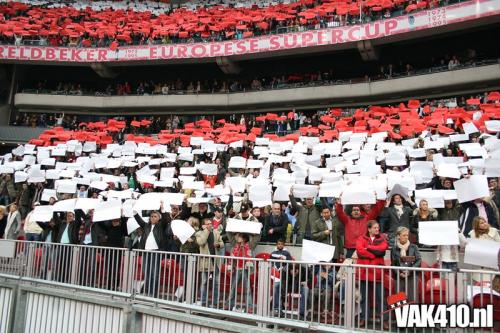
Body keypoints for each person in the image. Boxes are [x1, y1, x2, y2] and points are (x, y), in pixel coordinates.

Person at [355, 220, 389, 330]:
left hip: (377, 273)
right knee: (364, 297)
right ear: (369, 229)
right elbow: (359, 251)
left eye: (378, 228)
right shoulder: (361, 238)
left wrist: (368, 248)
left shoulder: (382, 239)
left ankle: (384, 320)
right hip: (364, 272)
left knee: (381, 298)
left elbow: (382, 250)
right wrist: (373, 255)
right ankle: (364, 318)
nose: (377, 229)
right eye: (375, 228)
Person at [133, 202, 170, 297]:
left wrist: (162, 209)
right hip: (146, 252)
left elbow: (166, 220)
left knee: (155, 274)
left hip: (156, 252)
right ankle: (147, 292)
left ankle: (153, 293)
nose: (152, 218)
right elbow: (139, 220)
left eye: (155, 216)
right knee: (147, 273)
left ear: (158, 218)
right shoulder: (146, 226)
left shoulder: (161, 226)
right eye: (151, 216)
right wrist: (135, 211)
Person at [196, 217, 224, 307]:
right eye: (207, 224)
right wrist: (206, 231)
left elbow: (222, 243)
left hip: (215, 261)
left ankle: (215, 303)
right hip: (205, 262)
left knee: (216, 283)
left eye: (210, 224)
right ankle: (203, 302)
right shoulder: (199, 233)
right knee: (204, 282)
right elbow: (201, 242)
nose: (209, 225)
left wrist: (219, 244)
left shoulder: (216, 232)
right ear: (203, 225)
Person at [390, 227, 421, 303]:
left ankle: (412, 315)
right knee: (399, 300)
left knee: (412, 299)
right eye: (404, 235)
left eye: (407, 235)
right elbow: (393, 264)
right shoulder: (394, 249)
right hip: (399, 277)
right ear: (398, 236)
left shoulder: (414, 247)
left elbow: (419, 261)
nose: (406, 237)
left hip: (412, 277)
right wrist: (399, 273)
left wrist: (409, 271)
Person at [227, 233, 255, 313]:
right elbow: (232, 257)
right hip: (237, 269)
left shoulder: (248, 246)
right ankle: (229, 305)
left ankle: (249, 308)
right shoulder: (235, 246)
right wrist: (231, 262)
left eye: (239, 237)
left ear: (244, 239)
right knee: (232, 289)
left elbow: (248, 257)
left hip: (245, 270)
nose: (237, 238)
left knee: (247, 289)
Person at [469, 216, 500, 283]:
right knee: (478, 286)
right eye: (481, 223)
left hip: (492, 264)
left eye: (485, 222)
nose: (485, 224)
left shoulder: (493, 231)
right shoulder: (473, 233)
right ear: (477, 225)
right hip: (479, 265)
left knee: (491, 287)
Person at [270, 239, 293, 314]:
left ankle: (276, 306)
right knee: (277, 288)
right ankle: (277, 307)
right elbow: (270, 263)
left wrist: (282, 269)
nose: (280, 245)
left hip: (283, 273)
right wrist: (275, 269)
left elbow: (290, 263)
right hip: (274, 274)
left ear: (284, 245)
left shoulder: (287, 253)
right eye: (278, 244)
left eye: (281, 244)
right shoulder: (273, 253)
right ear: (276, 245)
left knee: (279, 289)